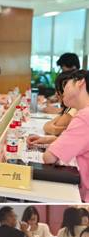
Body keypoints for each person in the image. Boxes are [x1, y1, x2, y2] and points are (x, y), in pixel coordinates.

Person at [43, 71, 89, 202]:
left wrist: (54, 146)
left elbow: (49, 157)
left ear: (80, 82)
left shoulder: (84, 116)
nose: (62, 91)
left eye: (66, 84)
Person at [28, 71, 77, 144]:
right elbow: (47, 126)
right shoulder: (70, 108)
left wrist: (53, 128)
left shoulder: (74, 108)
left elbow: (54, 129)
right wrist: (52, 128)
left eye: (60, 90)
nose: (56, 94)